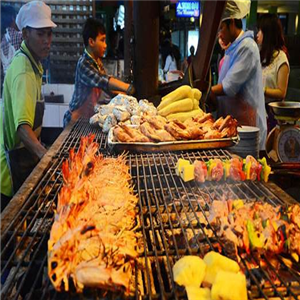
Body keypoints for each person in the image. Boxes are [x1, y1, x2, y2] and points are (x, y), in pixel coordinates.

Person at [0, 1, 56, 211]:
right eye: (40, 34)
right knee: (11, 232)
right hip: (12, 165)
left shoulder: (32, 64)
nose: (47, 41)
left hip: (23, 155)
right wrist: (45, 156)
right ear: (25, 35)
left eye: (49, 34)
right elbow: (22, 128)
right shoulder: (23, 70)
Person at [210, 0, 267, 150]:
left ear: (232, 23)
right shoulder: (231, 50)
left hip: (248, 130)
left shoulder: (247, 47)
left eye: (221, 28)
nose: (220, 34)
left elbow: (229, 87)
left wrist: (205, 92)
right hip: (234, 129)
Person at [63, 18, 134, 127]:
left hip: (85, 120)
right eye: (102, 40)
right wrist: (128, 87)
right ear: (91, 42)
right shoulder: (84, 64)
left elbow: (108, 88)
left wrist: (126, 98)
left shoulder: (97, 62)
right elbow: (103, 80)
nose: (105, 45)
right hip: (74, 120)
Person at [256, 13, 290, 132]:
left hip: (272, 114)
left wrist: (262, 89)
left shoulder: (281, 58)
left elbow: (281, 92)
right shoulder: (260, 55)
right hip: (258, 109)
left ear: (268, 33)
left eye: (260, 30)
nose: (257, 34)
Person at [0, 4, 22, 80]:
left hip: (7, 84)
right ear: (13, 18)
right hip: (19, 80)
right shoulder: (20, 37)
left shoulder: (2, 40)